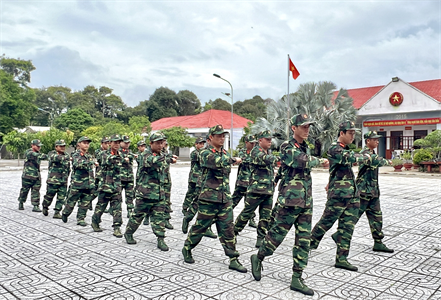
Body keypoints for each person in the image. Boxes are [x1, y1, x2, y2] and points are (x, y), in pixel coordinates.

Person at [250, 114, 329, 296]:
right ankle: (259, 256)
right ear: (294, 128)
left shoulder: (305, 147)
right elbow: (300, 161)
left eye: (308, 126)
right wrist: (320, 161)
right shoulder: (287, 146)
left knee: (303, 240)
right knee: (277, 235)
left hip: (306, 200)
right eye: (303, 126)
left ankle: (297, 277)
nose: (307, 129)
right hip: (290, 200)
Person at [182, 124, 247, 273]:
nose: (222, 138)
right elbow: (215, 162)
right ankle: (187, 248)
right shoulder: (204, 153)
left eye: (223, 135)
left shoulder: (224, 153)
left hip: (225, 199)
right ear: (210, 138)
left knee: (228, 230)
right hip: (209, 199)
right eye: (218, 136)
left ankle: (233, 259)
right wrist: (233, 160)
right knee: (200, 227)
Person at [310, 121, 371, 272]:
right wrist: (366, 157)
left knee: (347, 227)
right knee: (326, 222)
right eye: (350, 133)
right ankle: (307, 245)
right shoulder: (334, 149)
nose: (353, 136)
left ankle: (342, 258)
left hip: (351, 194)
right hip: (338, 195)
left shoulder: (345, 149)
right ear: (341, 133)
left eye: (354, 133)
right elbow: (350, 158)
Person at [123, 132, 177, 251]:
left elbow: (163, 161)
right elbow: (153, 161)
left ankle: (161, 239)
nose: (160, 145)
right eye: (157, 143)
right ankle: (128, 233)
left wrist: (169, 158)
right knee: (137, 216)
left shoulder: (162, 154)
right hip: (145, 194)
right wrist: (169, 158)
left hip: (159, 193)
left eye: (162, 143)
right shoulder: (145, 155)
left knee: (159, 218)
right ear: (151, 143)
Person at [234, 130, 279, 248]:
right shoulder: (255, 152)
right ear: (260, 140)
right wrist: (282, 157)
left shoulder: (267, 151)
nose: (270, 141)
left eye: (270, 139)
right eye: (267, 139)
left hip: (268, 190)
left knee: (265, 216)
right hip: (256, 190)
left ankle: (261, 237)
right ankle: (233, 232)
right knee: (247, 213)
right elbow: (267, 159)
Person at [355, 131, 393, 253]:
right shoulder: (364, 154)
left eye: (377, 139)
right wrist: (389, 162)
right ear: (367, 141)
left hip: (373, 192)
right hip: (363, 192)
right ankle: (340, 234)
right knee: (353, 216)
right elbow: (377, 161)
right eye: (374, 139)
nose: (377, 141)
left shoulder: (372, 152)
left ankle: (378, 242)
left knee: (376, 217)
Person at [91, 134, 125, 237]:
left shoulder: (120, 154)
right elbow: (110, 160)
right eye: (115, 142)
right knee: (101, 207)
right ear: (110, 143)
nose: (117, 145)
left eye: (119, 143)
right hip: (105, 185)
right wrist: (120, 158)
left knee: (117, 208)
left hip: (117, 186)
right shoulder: (103, 154)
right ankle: (95, 221)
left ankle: (117, 227)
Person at [61, 136, 96, 226]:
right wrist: (90, 162)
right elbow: (78, 164)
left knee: (85, 203)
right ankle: (65, 213)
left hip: (88, 183)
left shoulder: (89, 155)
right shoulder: (75, 154)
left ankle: (81, 218)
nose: (86, 145)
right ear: (79, 144)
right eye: (84, 143)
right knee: (71, 201)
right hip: (78, 183)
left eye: (87, 143)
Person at [231, 135, 258, 228]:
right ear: (246, 143)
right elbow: (245, 160)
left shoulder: (256, 152)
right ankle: (225, 216)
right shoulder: (242, 152)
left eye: (254, 142)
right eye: (251, 143)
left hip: (251, 183)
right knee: (233, 201)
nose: (253, 144)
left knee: (250, 203)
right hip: (242, 182)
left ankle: (251, 219)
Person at [42, 140, 71, 219]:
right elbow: (56, 158)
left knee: (61, 198)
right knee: (49, 196)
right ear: (56, 147)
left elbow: (68, 168)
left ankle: (57, 212)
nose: (63, 148)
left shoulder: (66, 155)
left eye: (64, 146)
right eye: (61, 146)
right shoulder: (52, 154)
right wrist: (66, 158)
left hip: (63, 180)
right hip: (53, 181)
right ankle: (45, 206)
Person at [18, 139, 48, 212]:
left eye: (39, 146)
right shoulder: (29, 152)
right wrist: (49, 156)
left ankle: (35, 205)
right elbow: (37, 156)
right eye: (37, 146)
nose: (39, 147)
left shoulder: (38, 152)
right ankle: (21, 202)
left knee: (36, 191)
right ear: (32, 145)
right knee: (24, 190)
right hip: (27, 176)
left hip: (36, 176)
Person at [120, 135, 136, 218]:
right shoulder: (117, 152)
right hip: (120, 177)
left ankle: (130, 210)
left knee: (130, 195)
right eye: (125, 143)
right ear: (121, 142)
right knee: (117, 196)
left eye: (128, 143)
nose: (127, 144)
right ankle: (115, 210)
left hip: (129, 177)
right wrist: (124, 158)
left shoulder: (130, 152)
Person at [92, 136, 110, 211]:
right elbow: (101, 158)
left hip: (106, 175)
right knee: (97, 191)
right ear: (102, 144)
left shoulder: (109, 152)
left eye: (108, 143)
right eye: (105, 143)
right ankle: (88, 201)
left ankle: (102, 206)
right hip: (99, 174)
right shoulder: (98, 151)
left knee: (103, 191)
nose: (107, 145)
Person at [161, 140, 174, 230]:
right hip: (157, 181)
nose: (165, 143)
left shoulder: (166, 152)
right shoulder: (154, 153)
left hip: (166, 180)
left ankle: (166, 219)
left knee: (167, 201)